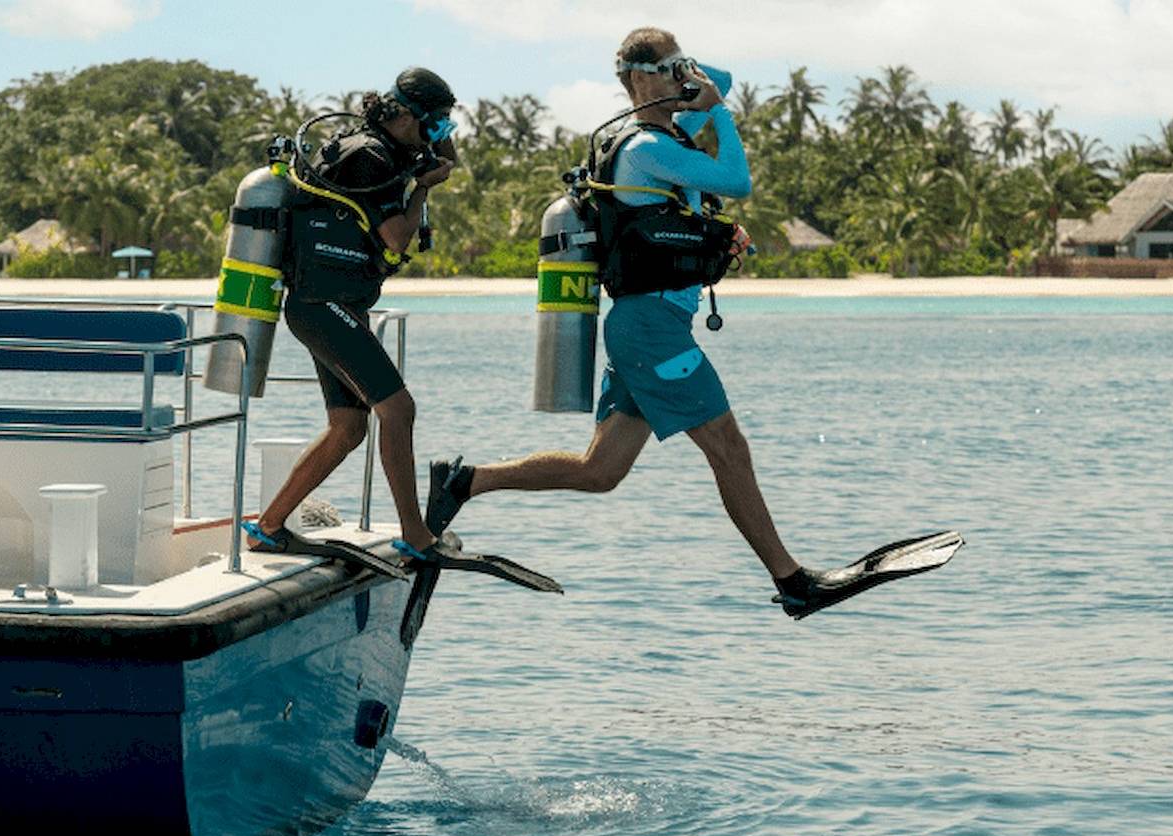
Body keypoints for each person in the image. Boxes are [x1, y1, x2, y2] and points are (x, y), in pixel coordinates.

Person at [424, 28, 838, 611]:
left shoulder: (662, 131)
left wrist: (684, 76)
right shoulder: (645, 148)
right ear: (642, 77)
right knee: (728, 447)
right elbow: (738, 181)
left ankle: (463, 480)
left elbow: (723, 81)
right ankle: (792, 581)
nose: (684, 78)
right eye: (670, 68)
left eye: (683, 67)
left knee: (601, 471)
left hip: (648, 326)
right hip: (651, 329)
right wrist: (718, 114)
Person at [245, 66, 457, 560]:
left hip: (330, 304)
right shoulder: (372, 158)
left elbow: (448, 160)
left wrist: (439, 139)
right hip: (325, 305)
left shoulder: (378, 147)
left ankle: (268, 528)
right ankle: (416, 534)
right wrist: (423, 188)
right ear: (405, 115)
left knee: (349, 426)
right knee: (398, 409)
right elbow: (395, 237)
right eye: (435, 122)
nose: (438, 134)